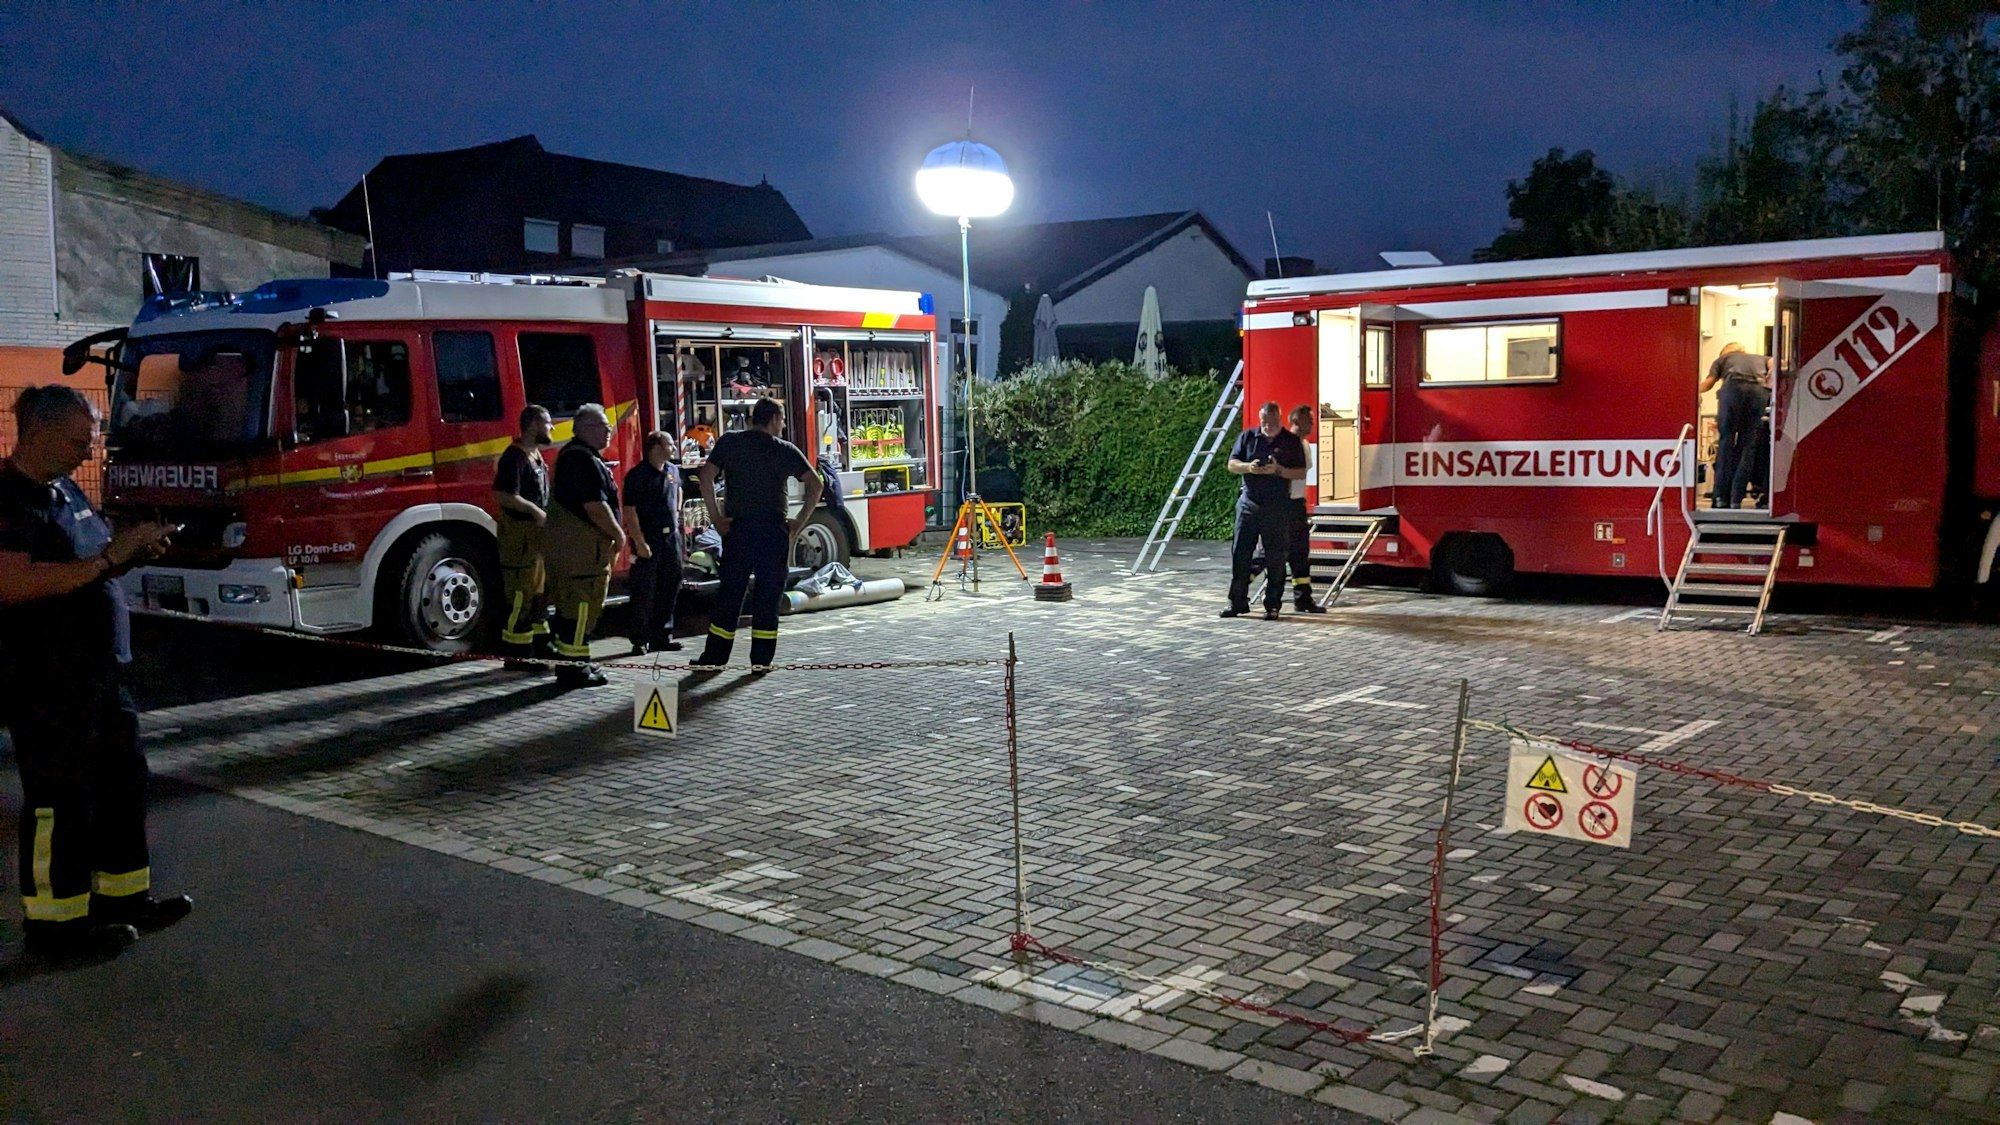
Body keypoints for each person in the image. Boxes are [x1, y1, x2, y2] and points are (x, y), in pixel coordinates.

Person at [0, 386, 187, 961]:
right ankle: (55, 929)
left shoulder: (64, 490)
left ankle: (123, 902)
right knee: (60, 802)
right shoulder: (9, 499)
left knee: (121, 787)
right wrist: (107, 560)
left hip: (101, 674)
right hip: (46, 679)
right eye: (80, 441)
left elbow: (91, 556)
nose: (89, 451)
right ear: (41, 433)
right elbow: (12, 583)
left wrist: (130, 551)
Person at [692, 397, 823, 673]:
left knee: (730, 595)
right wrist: (798, 522)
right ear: (774, 418)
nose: (784, 426)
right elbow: (816, 483)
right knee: (768, 597)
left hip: (737, 530)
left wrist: (716, 519)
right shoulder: (783, 449)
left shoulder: (729, 442)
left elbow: (705, 476)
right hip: (773, 532)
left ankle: (714, 659)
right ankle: (761, 662)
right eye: (783, 420)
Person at [543, 404, 624, 688]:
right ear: (587, 429)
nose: (609, 432)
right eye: (605, 426)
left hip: (580, 553)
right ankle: (573, 671)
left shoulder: (578, 457)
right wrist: (619, 534)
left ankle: (578, 664)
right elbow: (594, 505)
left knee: (579, 613)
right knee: (578, 612)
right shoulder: (580, 459)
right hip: (581, 555)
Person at [1222, 401, 1307, 620]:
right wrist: (1248, 467)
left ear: (1280, 419)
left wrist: (1279, 470)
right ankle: (1237, 602)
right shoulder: (1248, 437)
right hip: (1249, 503)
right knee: (1240, 553)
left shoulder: (1291, 442)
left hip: (1277, 506)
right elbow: (1231, 464)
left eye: (1272, 422)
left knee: (1275, 557)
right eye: (1264, 422)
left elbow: (1299, 473)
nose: (1267, 426)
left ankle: (1273, 605)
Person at [491, 405, 553, 667]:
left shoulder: (535, 455)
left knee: (540, 593)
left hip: (537, 538)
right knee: (520, 594)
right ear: (532, 425)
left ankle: (540, 644)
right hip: (520, 538)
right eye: (547, 422)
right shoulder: (513, 458)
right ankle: (517, 654)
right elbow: (504, 494)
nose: (551, 427)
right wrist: (535, 511)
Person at [621, 429, 684, 655]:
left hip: (671, 539)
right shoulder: (638, 476)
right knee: (644, 590)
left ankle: (662, 636)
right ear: (656, 448)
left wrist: (676, 516)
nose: (674, 448)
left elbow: (678, 491)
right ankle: (640, 639)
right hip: (648, 538)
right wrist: (639, 541)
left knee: (670, 585)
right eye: (670, 444)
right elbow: (630, 510)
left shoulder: (672, 471)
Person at [1699, 342, 1772, 509]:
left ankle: (1720, 498)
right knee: (1748, 447)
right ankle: (1735, 500)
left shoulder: (1723, 359)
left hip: (1733, 390)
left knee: (1726, 444)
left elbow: (1708, 383)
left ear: (1725, 352)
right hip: (1759, 392)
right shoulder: (1762, 358)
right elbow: (1776, 363)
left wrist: (1689, 390)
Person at [1283, 404, 1325, 614]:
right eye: (1309, 421)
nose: (1312, 424)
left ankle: (1303, 600)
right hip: (1284, 506)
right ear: (1297, 421)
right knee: (1268, 555)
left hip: (1298, 504)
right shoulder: (1285, 445)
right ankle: (1239, 592)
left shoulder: (1305, 444)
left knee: (1301, 555)